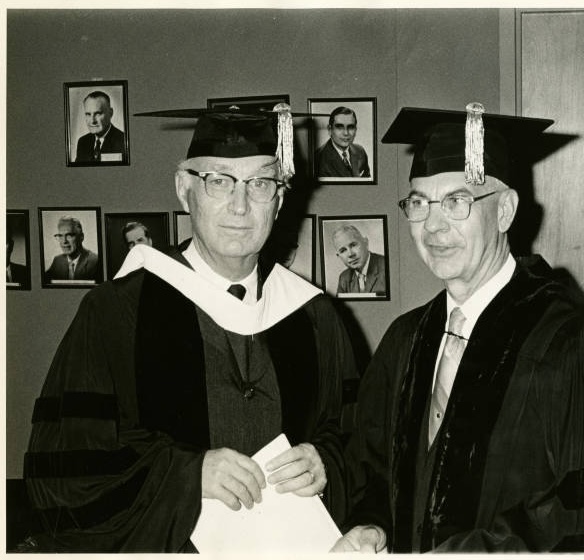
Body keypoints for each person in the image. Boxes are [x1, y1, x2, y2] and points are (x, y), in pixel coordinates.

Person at [334, 104, 584, 552]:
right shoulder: (405, 340)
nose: (433, 225)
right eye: (419, 203)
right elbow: (375, 474)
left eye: (457, 201)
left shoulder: (576, 347)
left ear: (504, 212)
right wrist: (372, 526)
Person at [24, 104, 357, 552]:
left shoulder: (315, 317)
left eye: (260, 183)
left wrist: (327, 466)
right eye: (218, 181)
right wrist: (186, 474)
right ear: (185, 190)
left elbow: (358, 445)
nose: (240, 206)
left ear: (278, 199)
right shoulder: (114, 312)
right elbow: (62, 474)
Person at [315, 106, 370, 178]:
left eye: (350, 127)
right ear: (330, 130)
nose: (346, 133)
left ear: (355, 130)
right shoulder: (318, 158)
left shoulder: (360, 151)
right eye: (339, 127)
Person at [332, 224, 386, 296]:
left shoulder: (387, 267)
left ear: (366, 243)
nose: (350, 254)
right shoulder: (344, 278)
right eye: (343, 250)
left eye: (353, 245)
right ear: (338, 256)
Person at [74, 91, 126, 163]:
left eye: (98, 114)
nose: (92, 121)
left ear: (110, 113)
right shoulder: (83, 142)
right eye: (88, 114)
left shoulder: (123, 140)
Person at [45, 216, 100, 282]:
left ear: (81, 237)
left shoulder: (95, 262)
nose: (64, 241)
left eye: (69, 235)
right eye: (60, 236)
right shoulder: (57, 261)